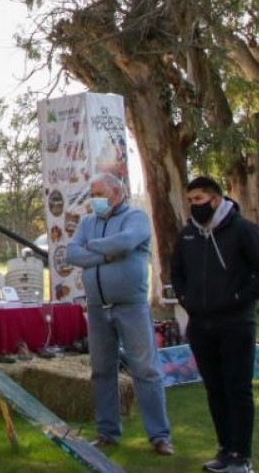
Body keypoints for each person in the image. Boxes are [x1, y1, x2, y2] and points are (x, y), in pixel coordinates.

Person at [170, 175, 259, 473]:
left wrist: (240, 296)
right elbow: (176, 271)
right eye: (190, 201)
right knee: (214, 390)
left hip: (236, 324)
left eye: (199, 200)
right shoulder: (188, 235)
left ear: (216, 199)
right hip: (201, 325)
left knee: (237, 390)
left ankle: (242, 456)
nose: (194, 206)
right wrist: (185, 298)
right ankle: (225, 449)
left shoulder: (243, 230)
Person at [66, 173, 174, 456]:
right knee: (102, 371)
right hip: (97, 309)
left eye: (99, 194)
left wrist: (93, 248)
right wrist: (106, 254)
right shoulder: (88, 222)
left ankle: (159, 436)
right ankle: (107, 432)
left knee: (145, 370)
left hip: (131, 307)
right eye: (93, 194)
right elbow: (71, 254)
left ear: (118, 193)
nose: (95, 200)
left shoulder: (136, 218)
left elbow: (126, 242)